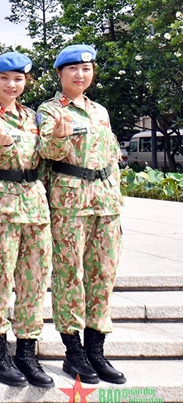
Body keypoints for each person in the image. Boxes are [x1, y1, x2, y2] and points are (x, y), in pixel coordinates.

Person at [37, 44, 126, 385]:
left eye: (86, 69)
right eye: (73, 69)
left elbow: (111, 157)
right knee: (69, 275)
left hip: (105, 203)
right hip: (70, 203)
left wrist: (116, 197)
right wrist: (60, 138)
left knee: (103, 275)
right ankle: (73, 351)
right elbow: (45, 152)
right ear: (60, 74)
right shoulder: (50, 110)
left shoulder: (100, 111)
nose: (80, 74)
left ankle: (96, 350)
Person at [0, 52, 53, 388]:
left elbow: (47, 156)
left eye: (18, 79)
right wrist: (2, 146)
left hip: (35, 206)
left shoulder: (34, 117)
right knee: (0, 281)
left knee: (34, 281)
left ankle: (27, 353)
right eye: (4, 78)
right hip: (2, 207)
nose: (11, 84)